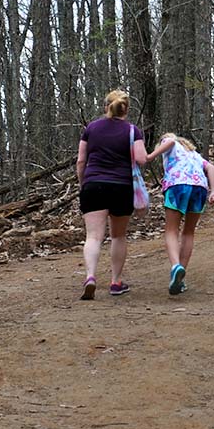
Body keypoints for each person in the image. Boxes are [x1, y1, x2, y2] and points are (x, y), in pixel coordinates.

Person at [77, 89, 147, 300]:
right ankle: (116, 282)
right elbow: (142, 159)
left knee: (93, 236)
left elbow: (81, 161)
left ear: (105, 106)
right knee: (118, 235)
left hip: (93, 185)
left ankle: (90, 277)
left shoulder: (91, 128)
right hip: (121, 187)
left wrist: (83, 183)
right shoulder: (133, 131)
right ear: (126, 109)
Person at [145, 133, 214, 295]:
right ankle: (181, 277)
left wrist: (150, 156)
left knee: (171, 230)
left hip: (178, 184)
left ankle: (175, 266)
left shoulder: (170, 141)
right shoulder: (194, 154)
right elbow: (211, 168)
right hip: (199, 187)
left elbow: (170, 141)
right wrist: (213, 191)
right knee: (189, 232)